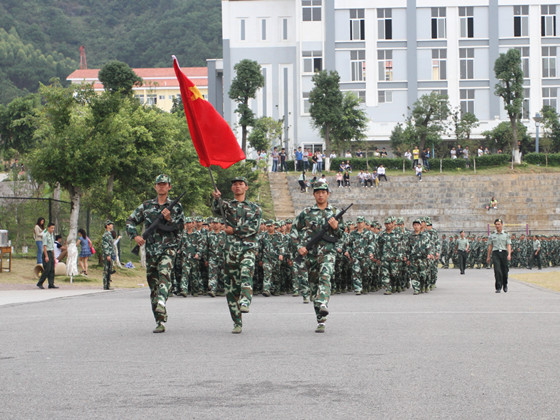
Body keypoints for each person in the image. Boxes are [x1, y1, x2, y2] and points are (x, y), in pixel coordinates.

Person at [126, 174, 185, 333]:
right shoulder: (146, 206)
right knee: (153, 286)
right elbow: (130, 220)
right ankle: (160, 320)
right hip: (152, 250)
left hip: (168, 248)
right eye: (159, 184)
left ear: (169, 187)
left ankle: (161, 301)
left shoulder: (176, 207)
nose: (161, 186)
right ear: (155, 187)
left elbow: (180, 228)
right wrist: (135, 236)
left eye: (164, 184)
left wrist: (170, 218)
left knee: (164, 273)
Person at [212, 176, 262, 334]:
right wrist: (216, 198)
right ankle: (237, 321)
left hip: (248, 248)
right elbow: (216, 210)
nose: (237, 186)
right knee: (231, 287)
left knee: (246, 271)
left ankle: (245, 300)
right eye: (234, 184)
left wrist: (234, 230)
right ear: (232, 188)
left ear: (246, 187)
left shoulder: (255, 208)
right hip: (231, 250)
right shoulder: (228, 206)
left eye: (241, 184)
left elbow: (254, 227)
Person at [295, 181, 343, 333]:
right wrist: (299, 246)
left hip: (328, 253)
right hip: (311, 255)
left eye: (323, 192)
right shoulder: (306, 213)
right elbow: (294, 230)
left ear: (328, 194)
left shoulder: (335, 212)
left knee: (325, 276)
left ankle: (323, 302)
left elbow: (342, 235)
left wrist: (336, 227)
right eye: (317, 192)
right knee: (314, 286)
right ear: (314, 194)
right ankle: (320, 319)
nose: (320, 195)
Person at [487, 218, 512, 293]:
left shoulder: (506, 234)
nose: (497, 226)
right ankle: (498, 287)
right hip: (495, 253)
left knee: (505, 270)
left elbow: (508, 245)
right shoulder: (492, 235)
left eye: (499, 224)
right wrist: (488, 256)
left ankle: (505, 284)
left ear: (502, 225)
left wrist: (509, 254)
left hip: (504, 253)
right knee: (497, 270)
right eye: (496, 224)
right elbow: (490, 246)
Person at [36, 222, 58, 289]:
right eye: (51, 228)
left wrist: (54, 256)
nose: (52, 229)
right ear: (48, 228)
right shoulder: (45, 235)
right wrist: (46, 256)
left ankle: (51, 284)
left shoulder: (51, 235)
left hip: (51, 252)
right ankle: (40, 283)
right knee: (47, 269)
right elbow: (44, 246)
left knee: (52, 269)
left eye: (53, 228)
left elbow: (52, 247)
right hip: (46, 253)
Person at [102, 220, 115, 290]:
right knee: (106, 270)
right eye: (110, 224)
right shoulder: (106, 235)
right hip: (107, 255)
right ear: (107, 226)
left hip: (110, 254)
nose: (112, 226)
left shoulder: (109, 234)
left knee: (109, 269)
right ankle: (105, 285)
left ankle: (108, 285)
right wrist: (107, 254)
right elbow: (105, 245)